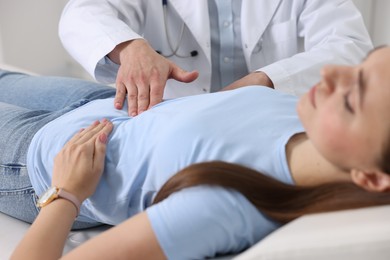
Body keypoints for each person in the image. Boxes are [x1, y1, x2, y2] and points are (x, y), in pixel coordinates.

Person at [3, 46, 390, 259]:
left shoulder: (228, 204)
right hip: (100, 101)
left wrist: (66, 194)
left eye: (352, 99)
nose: (329, 74)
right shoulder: (313, 122)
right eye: (360, 68)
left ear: (370, 177)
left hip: (31, 160)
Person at [59, 0, 373, 116]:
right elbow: (81, 12)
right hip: (159, 115)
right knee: (10, 84)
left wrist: (266, 80)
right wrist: (130, 48)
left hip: (265, 119)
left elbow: (350, 45)